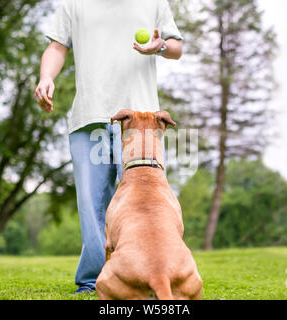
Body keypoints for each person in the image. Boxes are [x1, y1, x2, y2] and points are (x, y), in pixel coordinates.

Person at [34, 0, 183, 293]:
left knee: (148, 204)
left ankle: (157, 272)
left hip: (141, 120)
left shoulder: (154, 3)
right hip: (90, 117)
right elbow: (56, 47)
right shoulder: (74, 5)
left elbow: (177, 47)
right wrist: (45, 77)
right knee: (92, 206)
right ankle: (92, 281)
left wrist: (161, 47)